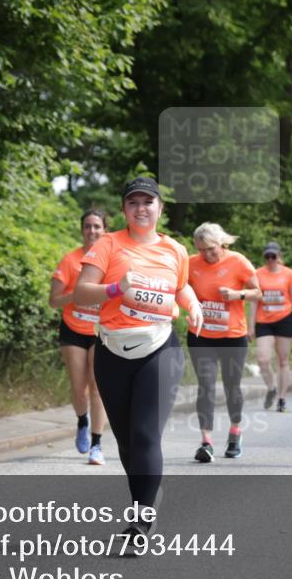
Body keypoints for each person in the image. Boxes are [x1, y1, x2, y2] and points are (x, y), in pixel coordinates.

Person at [74, 177, 202, 540]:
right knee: (127, 441)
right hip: (113, 349)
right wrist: (117, 288)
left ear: (161, 208)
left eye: (149, 202)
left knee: (146, 435)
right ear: (124, 209)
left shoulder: (175, 250)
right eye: (134, 202)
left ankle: (140, 520)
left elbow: (181, 287)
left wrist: (192, 306)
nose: (141, 208)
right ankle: (145, 497)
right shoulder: (108, 245)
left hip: (160, 348)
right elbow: (82, 294)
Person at [187, 223, 261, 461]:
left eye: (211, 249)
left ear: (222, 244)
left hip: (232, 335)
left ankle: (235, 432)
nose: (206, 255)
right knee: (206, 385)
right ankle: (206, 441)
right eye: (201, 250)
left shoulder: (238, 261)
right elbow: (180, 288)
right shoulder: (190, 263)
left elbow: (258, 292)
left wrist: (237, 294)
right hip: (202, 334)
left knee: (232, 386)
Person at [49, 209, 110, 465]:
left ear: (105, 230)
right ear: (82, 230)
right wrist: (76, 294)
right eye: (88, 226)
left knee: (98, 387)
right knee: (79, 388)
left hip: (101, 330)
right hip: (73, 329)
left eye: (97, 226)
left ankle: (97, 445)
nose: (92, 231)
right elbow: (53, 301)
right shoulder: (71, 260)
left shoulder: (112, 260)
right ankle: (82, 421)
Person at [248, 241, 292, 413]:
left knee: (283, 360)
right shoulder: (257, 274)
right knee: (263, 359)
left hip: (284, 319)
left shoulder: (289, 274)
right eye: (267, 256)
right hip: (264, 321)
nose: (270, 260)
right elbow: (253, 301)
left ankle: (281, 398)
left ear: (279, 256)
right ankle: (271, 387)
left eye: (273, 256)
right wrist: (250, 325)